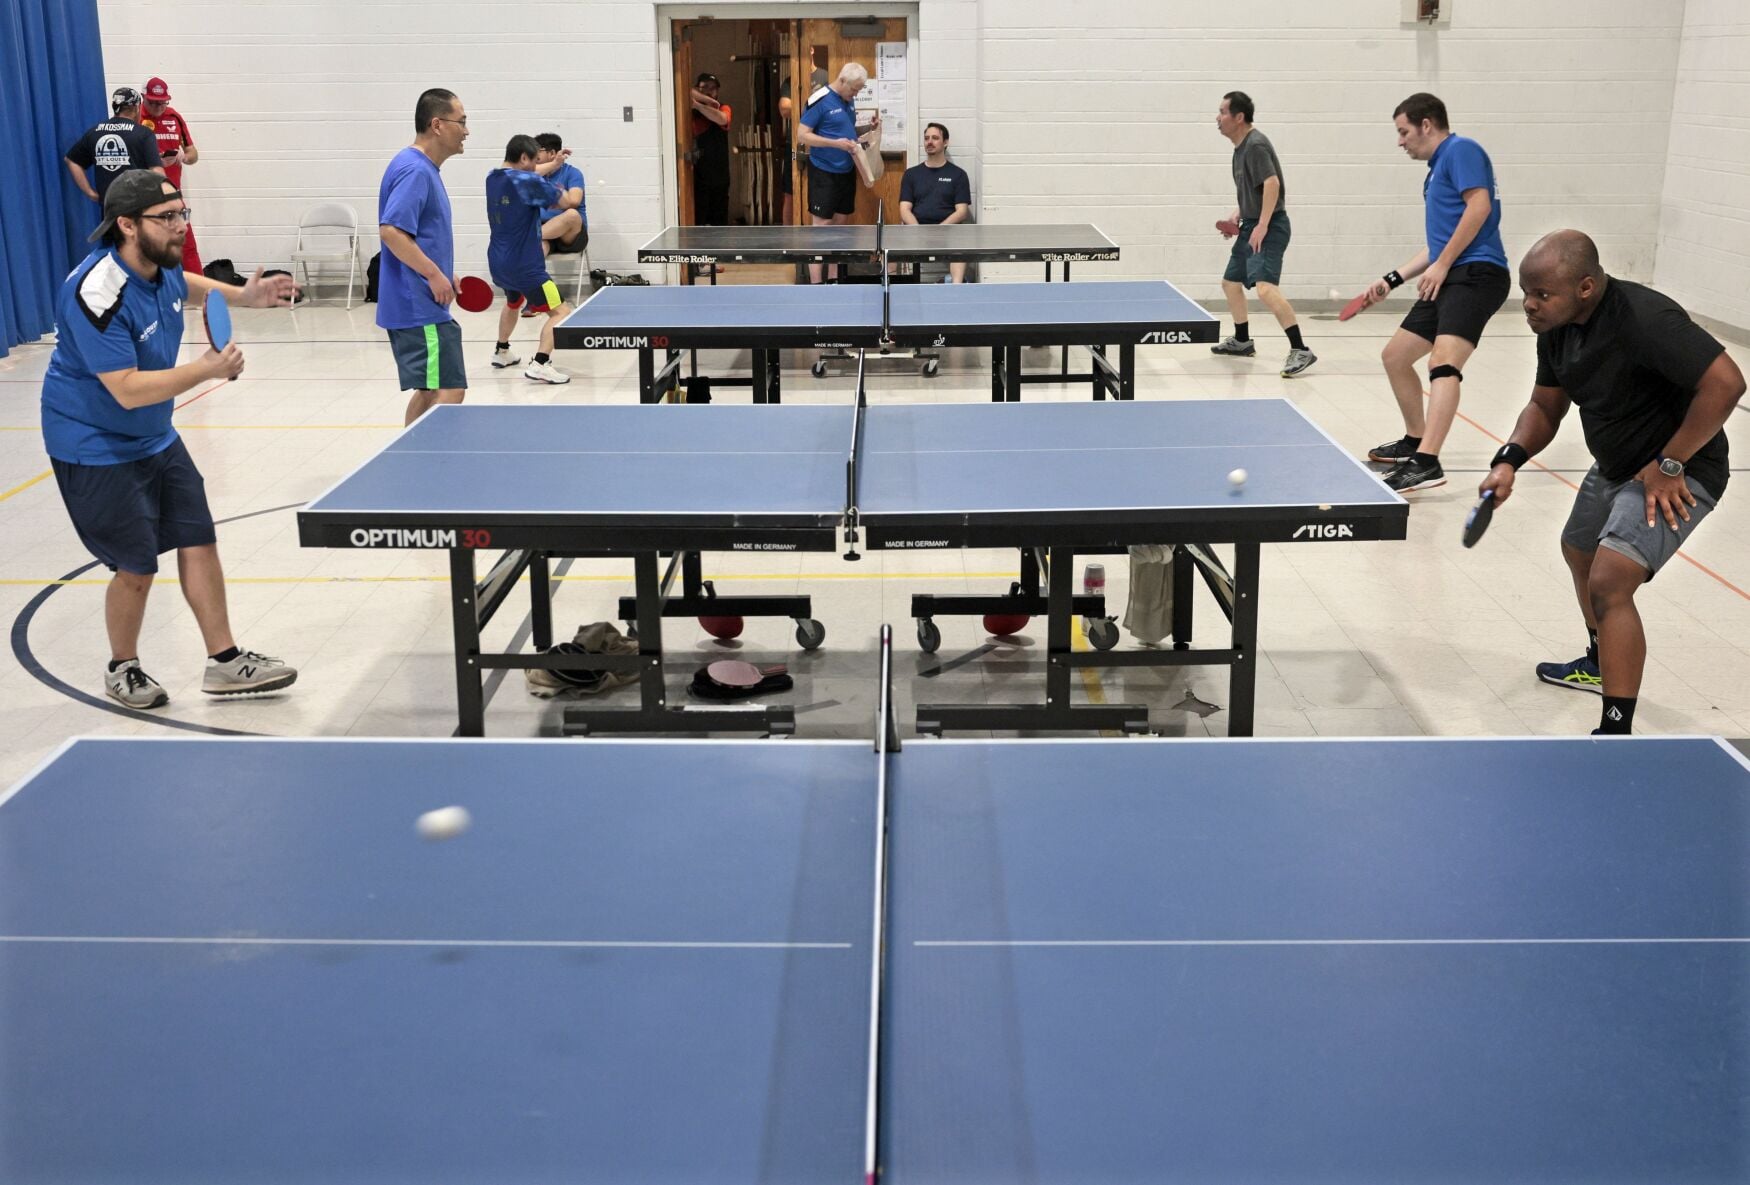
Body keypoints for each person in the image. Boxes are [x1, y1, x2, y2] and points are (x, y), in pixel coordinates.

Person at [40, 170, 300, 709]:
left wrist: (244, 296)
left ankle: (226, 662)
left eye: (183, 213)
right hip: (95, 443)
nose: (181, 226)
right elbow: (128, 390)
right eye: (168, 218)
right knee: (135, 565)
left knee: (198, 537)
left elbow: (191, 285)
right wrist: (207, 368)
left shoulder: (160, 266)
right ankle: (123, 666)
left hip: (154, 434)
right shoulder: (96, 294)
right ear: (128, 226)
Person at [1481, 230, 1743, 735]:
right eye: (1526, 293)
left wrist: (1670, 463)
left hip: (1682, 471)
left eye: (1542, 294)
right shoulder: (1557, 327)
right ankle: (1599, 664)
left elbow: (1727, 382)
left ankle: (1616, 731)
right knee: (1579, 548)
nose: (1529, 306)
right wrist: (1508, 459)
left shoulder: (1646, 320)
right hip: (1618, 464)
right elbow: (1544, 406)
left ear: (1585, 286)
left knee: (1609, 582)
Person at [1357, 92, 1511, 493]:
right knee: (1395, 356)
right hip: (1449, 273)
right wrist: (1393, 278)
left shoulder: (1461, 150)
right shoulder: (1437, 167)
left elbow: (1479, 208)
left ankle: (1427, 462)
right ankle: (1414, 440)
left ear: (1427, 124)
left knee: (1443, 363)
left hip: (1477, 273)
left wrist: (1444, 265)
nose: (1400, 141)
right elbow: (1438, 244)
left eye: (1403, 131)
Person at [378, 88, 468, 426]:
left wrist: (444, 271)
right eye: (462, 121)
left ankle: (412, 460)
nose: (467, 130)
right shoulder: (415, 170)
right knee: (449, 389)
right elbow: (391, 232)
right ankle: (429, 466)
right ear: (438, 125)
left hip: (419, 302)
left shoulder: (421, 168)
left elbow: (416, 234)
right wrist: (432, 274)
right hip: (418, 304)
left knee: (431, 390)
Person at [1210, 91, 1315, 378]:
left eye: (1222, 112)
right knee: (1231, 283)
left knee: (1265, 289)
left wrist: (1263, 225)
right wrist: (1239, 212)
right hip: (1252, 224)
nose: (1217, 118)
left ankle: (1300, 349)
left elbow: (1272, 184)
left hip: (1269, 227)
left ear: (1239, 117)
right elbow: (1255, 190)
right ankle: (1242, 341)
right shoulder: (1240, 147)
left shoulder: (1255, 145)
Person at [486, 135, 578, 384]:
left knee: (514, 302)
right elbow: (567, 202)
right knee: (561, 312)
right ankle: (540, 362)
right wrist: (559, 186)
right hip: (527, 267)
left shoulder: (493, 177)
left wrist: (554, 164)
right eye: (534, 161)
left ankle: (502, 351)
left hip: (498, 262)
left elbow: (527, 173)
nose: (536, 167)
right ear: (525, 157)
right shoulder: (529, 181)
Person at [796, 62, 877, 284]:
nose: (856, 93)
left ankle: (834, 279)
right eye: (854, 89)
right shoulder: (819, 100)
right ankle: (816, 282)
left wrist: (868, 129)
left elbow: (846, 130)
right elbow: (802, 136)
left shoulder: (848, 100)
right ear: (842, 81)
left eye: (859, 90)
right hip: (824, 171)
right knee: (822, 229)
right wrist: (835, 144)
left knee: (841, 228)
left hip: (846, 170)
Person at [137, 76, 202, 275]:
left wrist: (183, 157)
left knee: (186, 242)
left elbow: (193, 154)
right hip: (145, 194)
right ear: (142, 98)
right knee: (147, 245)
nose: (158, 107)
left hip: (173, 194)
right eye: (152, 102)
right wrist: (153, 161)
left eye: (162, 102)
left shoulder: (174, 117)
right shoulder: (135, 118)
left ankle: (201, 292)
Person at [898, 122, 971, 282]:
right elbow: (904, 210)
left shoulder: (958, 175)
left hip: (947, 230)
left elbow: (962, 211)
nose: (929, 142)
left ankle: (956, 287)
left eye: (935, 138)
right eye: (926, 138)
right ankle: (897, 289)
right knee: (889, 245)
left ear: (945, 142)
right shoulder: (911, 174)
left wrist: (940, 229)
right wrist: (918, 231)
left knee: (960, 242)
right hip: (916, 230)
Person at [64, 88, 163, 205]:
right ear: (137, 108)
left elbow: (71, 160)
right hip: (137, 205)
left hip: (109, 205)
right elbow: (156, 171)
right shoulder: (143, 133)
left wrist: (90, 193)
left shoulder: (95, 132)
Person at [689, 73, 732, 241]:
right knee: (699, 219)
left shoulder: (723, 107)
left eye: (712, 88)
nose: (708, 91)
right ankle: (701, 261)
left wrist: (700, 105)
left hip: (720, 175)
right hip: (698, 175)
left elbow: (722, 119)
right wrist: (701, 102)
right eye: (704, 87)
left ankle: (717, 257)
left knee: (719, 220)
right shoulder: (689, 112)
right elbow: (686, 91)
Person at [533, 132, 586, 257]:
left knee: (572, 215)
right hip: (545, 231)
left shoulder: (573, 173)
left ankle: (527, 237)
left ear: (551, 153)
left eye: (537, 151)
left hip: (568, 234)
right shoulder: (535, 173)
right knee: (536, 250)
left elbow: (574, 201)